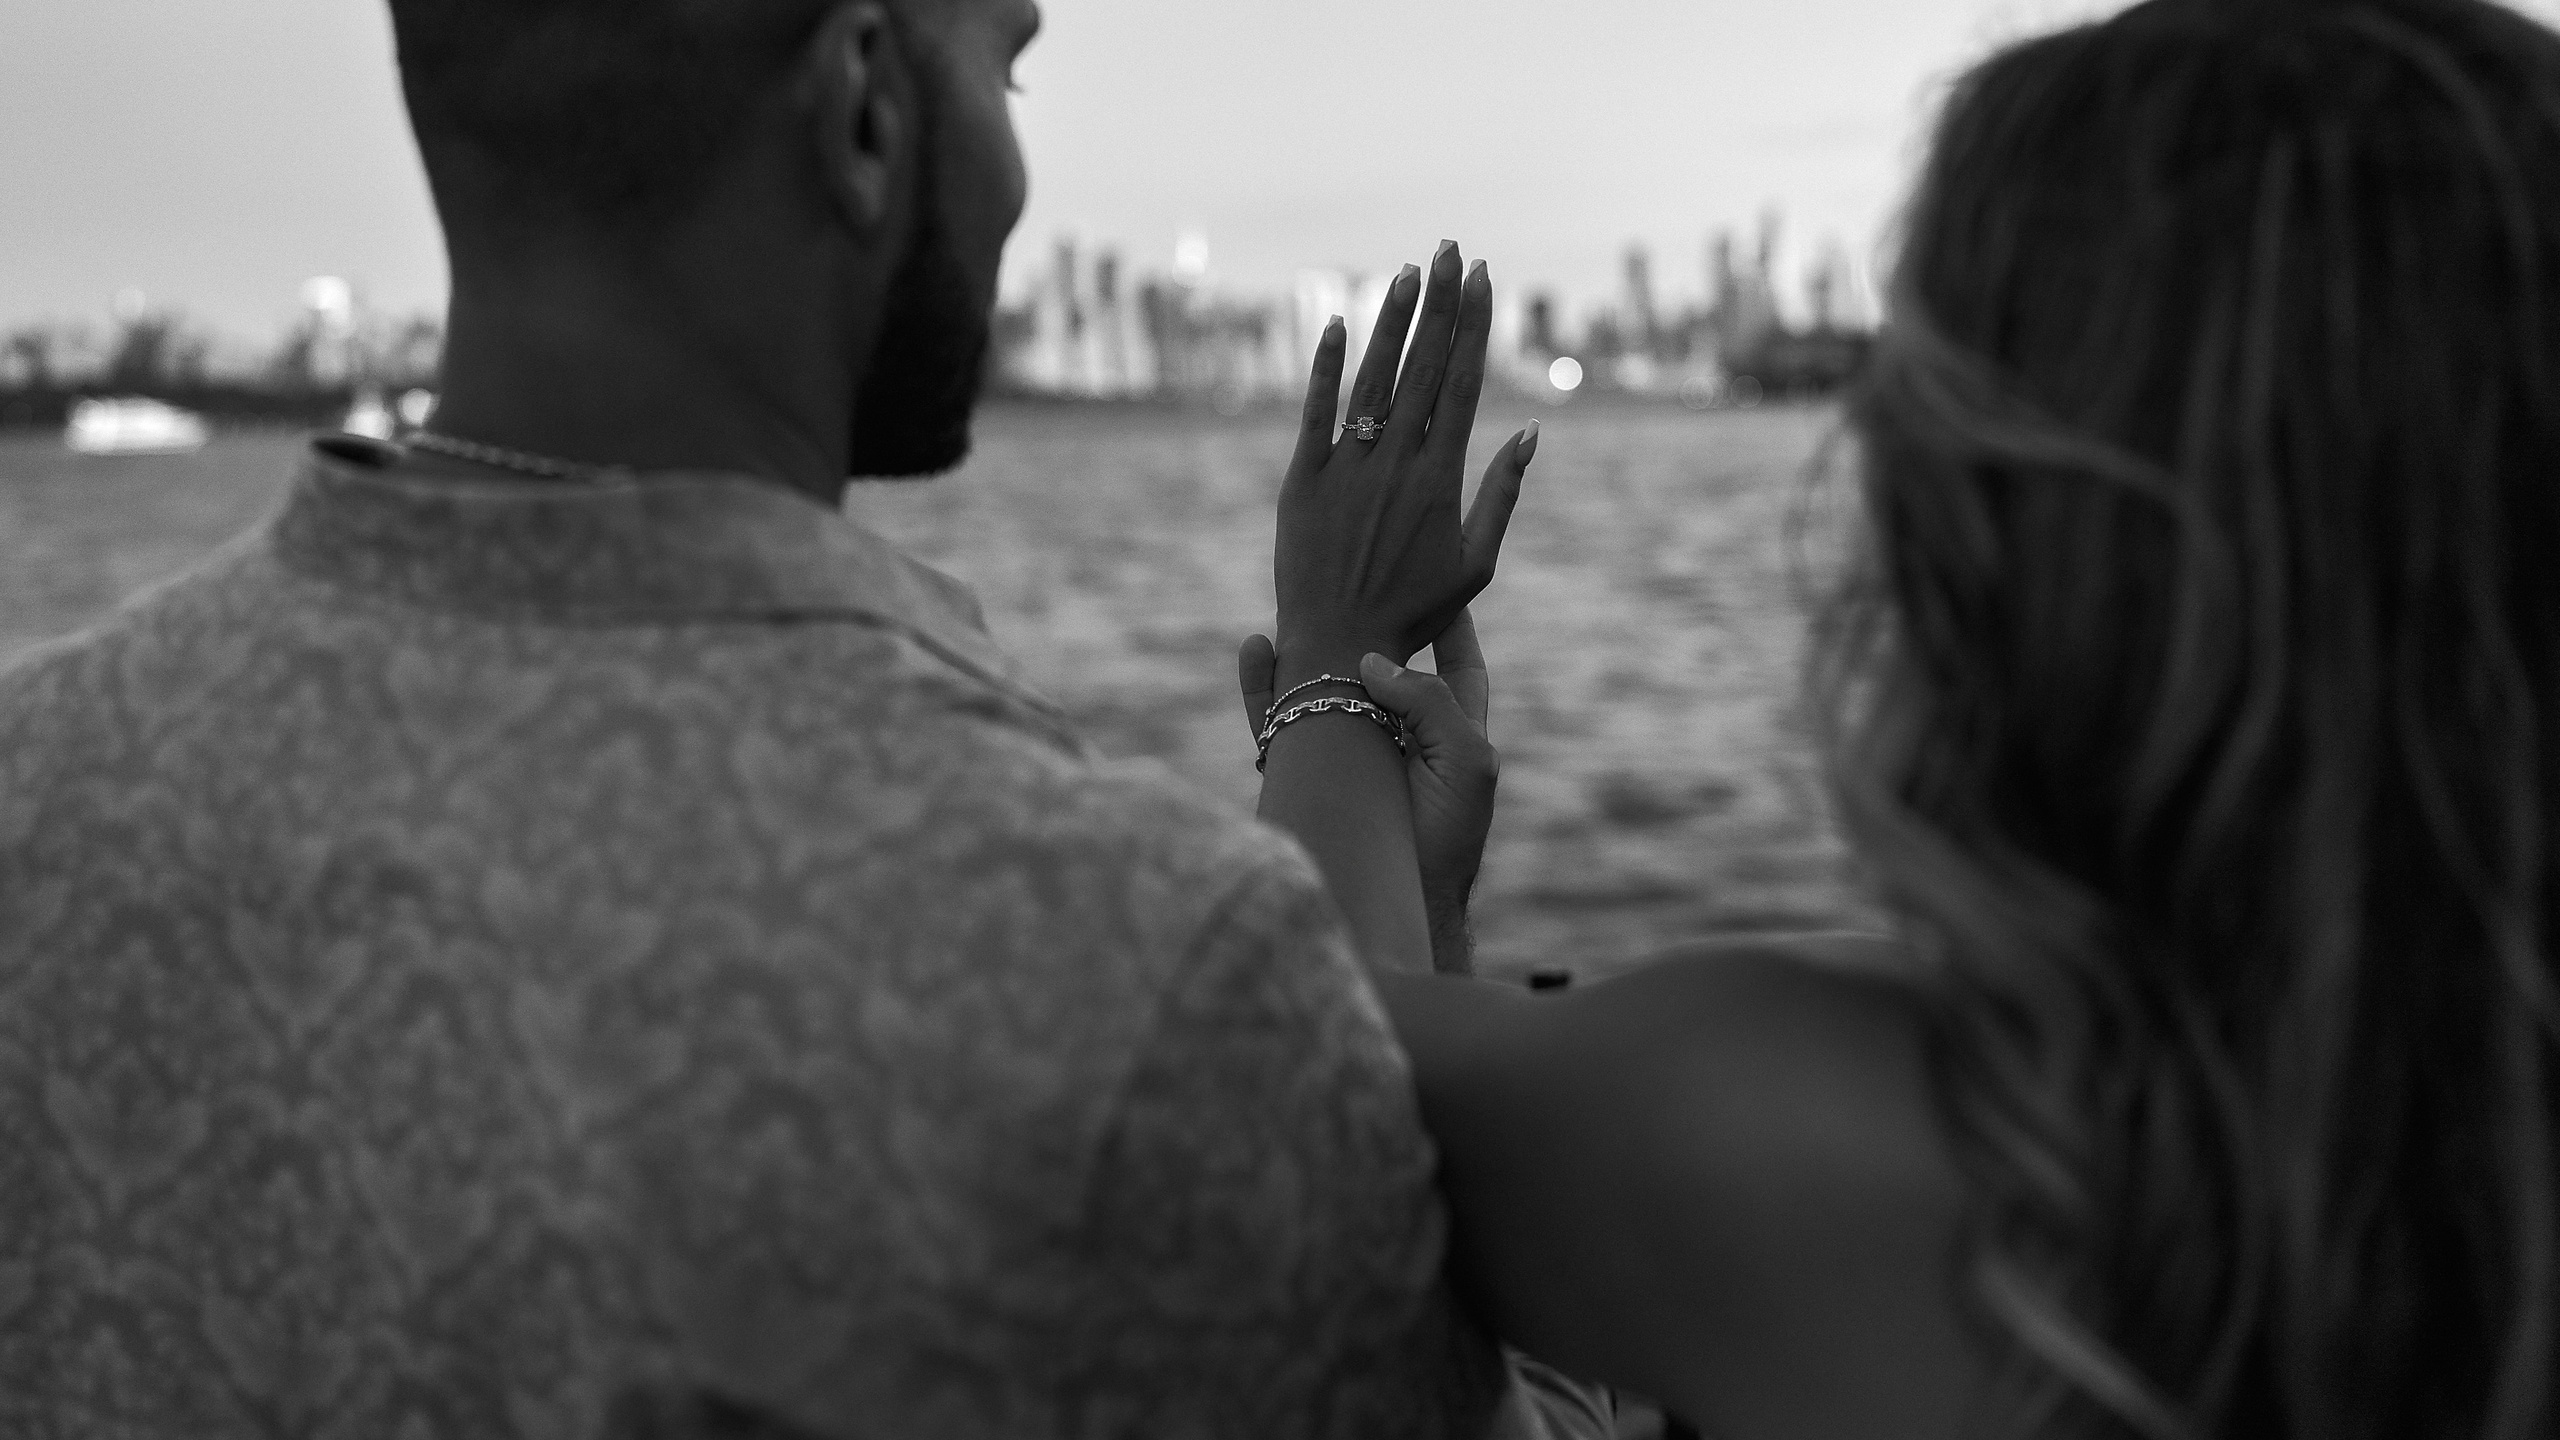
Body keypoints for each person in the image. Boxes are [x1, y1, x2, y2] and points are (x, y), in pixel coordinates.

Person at [0, 1, 1531, 1434]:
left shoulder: (31, 775)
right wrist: (1339, 701)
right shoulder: (1108, 950)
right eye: (1006, 68)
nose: (1014, 175)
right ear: (862, 107)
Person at [1244, 0, 2560, 1436]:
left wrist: (1333, 660)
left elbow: (1282, 1119)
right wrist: (1431, 913)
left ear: (2027, 539)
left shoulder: (1912, 1147)